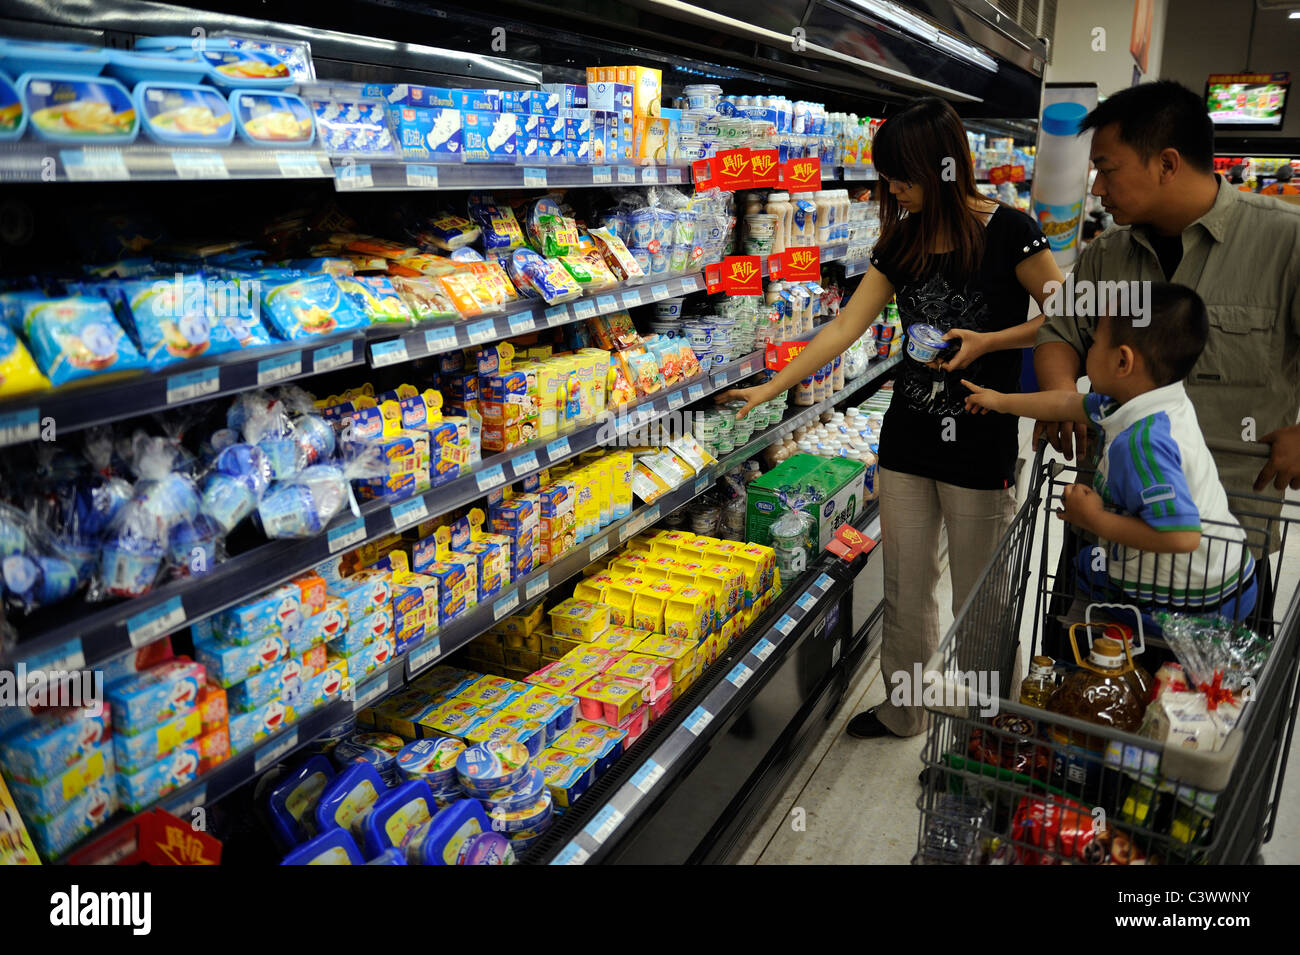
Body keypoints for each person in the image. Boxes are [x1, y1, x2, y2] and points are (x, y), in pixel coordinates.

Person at [718, 97, 1064, 739]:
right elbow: (847, 326)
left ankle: (997, 723)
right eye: (889, 179)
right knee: (905, 587)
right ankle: (904, 708)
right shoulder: (901, 239)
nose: (894, 190)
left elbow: (1066, 315)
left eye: (902, 177)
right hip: (906, 436)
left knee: (979, 594)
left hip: (979, 435)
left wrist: (991, 343)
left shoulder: (1011, 230)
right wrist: (773, 388)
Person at [1034, 81, 1300, 514]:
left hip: (1221, 539)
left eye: (1107, 169)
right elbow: (1059, 332)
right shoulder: (1108, 253)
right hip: (1107, 519)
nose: (1098, 188)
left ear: (1167, 164)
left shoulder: (1286, 243)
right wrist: (1061, 393)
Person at [964, 282, 1256, 622]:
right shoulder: (1150, 399)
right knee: (1090, 567)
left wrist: (1094, 519)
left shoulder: (1142, 442)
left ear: (1122, 361)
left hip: (1195, 601)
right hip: (1218, 574)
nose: (1088, 351)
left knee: (1088, 585)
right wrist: (999, 400)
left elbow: (1182, 536)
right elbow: (1066, 403)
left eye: (1096, 342)